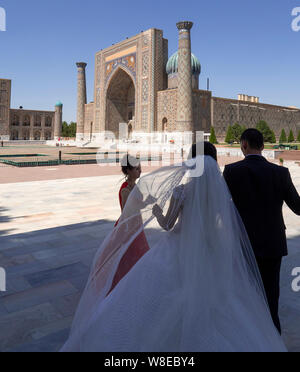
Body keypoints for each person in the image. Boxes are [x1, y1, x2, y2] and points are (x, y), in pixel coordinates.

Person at [61, 143, 286, 352]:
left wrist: (158, 211)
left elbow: (168, 225)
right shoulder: (221, 194)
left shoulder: (182, 191)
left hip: (178, 248)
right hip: (211, 249)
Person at [223, 129, 300, 334]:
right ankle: (272, 338)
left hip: (243, 244)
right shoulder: (280, 173)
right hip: (272, 243)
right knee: (271, 296)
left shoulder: (231, 171)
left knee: (245, 295)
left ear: (243, 145)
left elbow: (221, 207)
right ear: (263, 147)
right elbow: (298, 208)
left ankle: (248, 338)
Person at [109, 154, 150, 293]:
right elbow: (128, 213)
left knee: (138, 257)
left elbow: (138, 206)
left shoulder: (135, 186)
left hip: (136, 225)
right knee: (131, 258)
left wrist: (148, 201)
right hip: (129, 228)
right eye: (137, 168)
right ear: (128, 171)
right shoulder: (126, 189)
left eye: (140, 168)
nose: (140, 170)